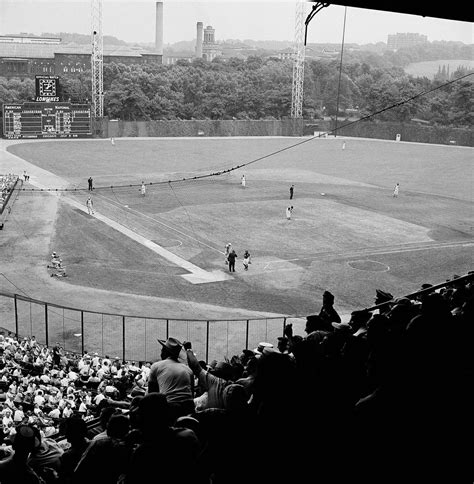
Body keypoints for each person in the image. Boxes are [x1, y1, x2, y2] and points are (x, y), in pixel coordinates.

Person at [147, 337, 195, 422]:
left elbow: (152, 394)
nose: (161, 351)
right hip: (189, 408)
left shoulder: (156, 366)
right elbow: (192, 392)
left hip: (170, 407)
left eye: (162, 349)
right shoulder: (188, 369)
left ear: (165, 351)